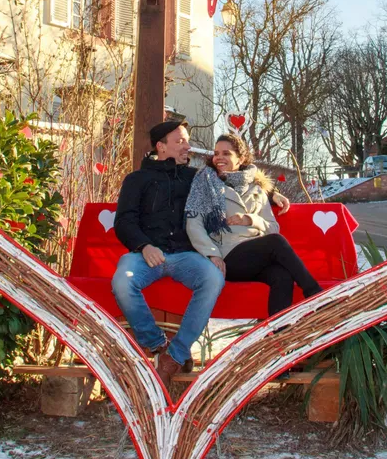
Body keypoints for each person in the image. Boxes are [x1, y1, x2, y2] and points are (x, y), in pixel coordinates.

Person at [112, 121, 289, 386]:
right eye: (180, 141)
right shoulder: (136, 180)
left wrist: (272, 192)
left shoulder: (198, 177)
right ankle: (157, 344)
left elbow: (235, 176)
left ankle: (176, 354)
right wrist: (143, 246)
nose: (188, 146)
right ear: (161, 147)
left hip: (186, 256)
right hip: (145, 255)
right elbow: (123, 221)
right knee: (122, 281)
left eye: (187, 140)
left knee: (212, 278)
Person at [185, 133, 321, 318]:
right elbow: (193, 225)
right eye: (216, 153)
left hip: (255, 257)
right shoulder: (205, 184)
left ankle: (277, 335)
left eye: (226, 153)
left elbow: (273, 227)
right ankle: (315, 293)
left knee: (282, 275)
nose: (219, 158)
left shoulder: (257, 189)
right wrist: (212, 254)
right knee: (275, 242)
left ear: (240, 159)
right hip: (226, 257)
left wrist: (251, 220)